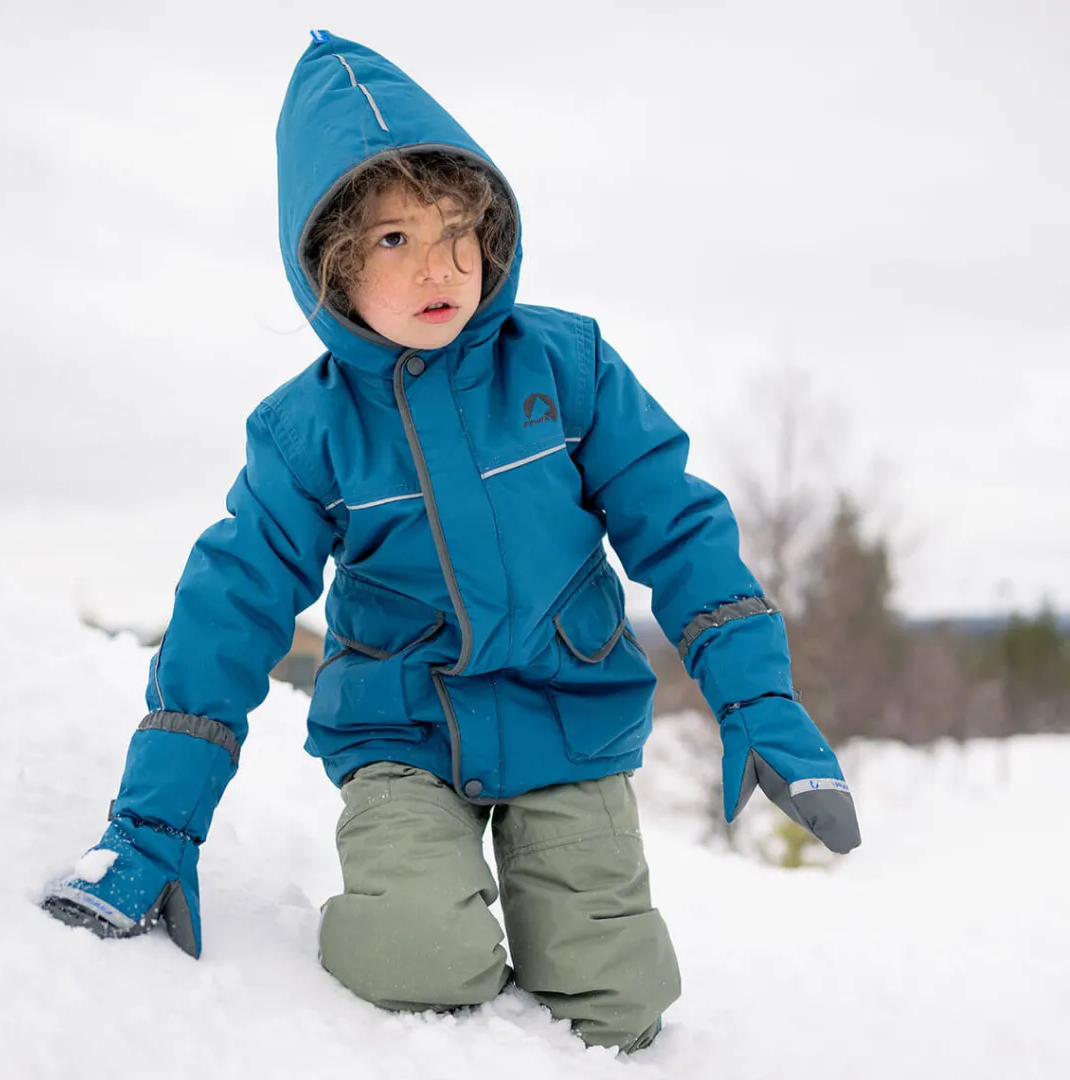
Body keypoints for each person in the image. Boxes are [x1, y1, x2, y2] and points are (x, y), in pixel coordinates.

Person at [42, 31, 860, 1053]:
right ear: (332, 265)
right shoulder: (311, 432)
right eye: (392, 240)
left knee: (617, 1006)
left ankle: (567, 944)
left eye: (455, 230)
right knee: (417, 962)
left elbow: (681, 527)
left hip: (567, 719)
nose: (440, 266)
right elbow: (232, 607)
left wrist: (760, 696)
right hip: (403, 734)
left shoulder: (569, 369)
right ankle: (428, 943)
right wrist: (154, 823)